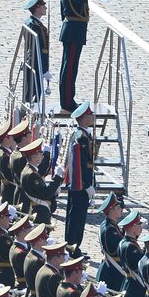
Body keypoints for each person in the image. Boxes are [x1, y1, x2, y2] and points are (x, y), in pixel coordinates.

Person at [58, 0, 91, 112]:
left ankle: (69, 98)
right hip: (73, 33)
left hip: (73, 32)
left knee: (71, 67)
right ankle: (67, 101)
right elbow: (80, 0)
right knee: (69, 68)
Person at [62, 101, 96, 252]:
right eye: (90, 114)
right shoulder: (81, 137)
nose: (93, 116)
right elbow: (81, 164)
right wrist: (87, 185)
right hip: (80, 185)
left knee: (77, 216)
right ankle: (72, 247)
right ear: (84, 118)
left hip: (79, 183)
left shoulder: (82, 135)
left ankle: (74, 247)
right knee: (77, 217)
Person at [22, 0, 50, 105]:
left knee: (37, 94)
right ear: (37, 8)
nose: (45, 8)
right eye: (43, 6)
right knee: (33, 95)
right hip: (35, 64)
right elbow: (37, 50)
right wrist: (44, 69)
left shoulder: (37, 24)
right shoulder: (33, 25)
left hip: (39, 64)